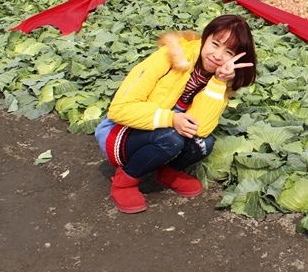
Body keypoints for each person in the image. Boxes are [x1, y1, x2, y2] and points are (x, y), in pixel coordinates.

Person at [94, 14, 257, 214]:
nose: (218, 55)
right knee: (172, 139)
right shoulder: (168, 56)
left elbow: (201, 128)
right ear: (205, 38)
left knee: (204, 143)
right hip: (121, 132)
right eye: (215, 44)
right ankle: (124, 182)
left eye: (229, 52)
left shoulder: (218, 78)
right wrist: (171, 118)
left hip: (164, 133)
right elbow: (119, 108)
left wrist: (218, 83)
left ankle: (167, 173)